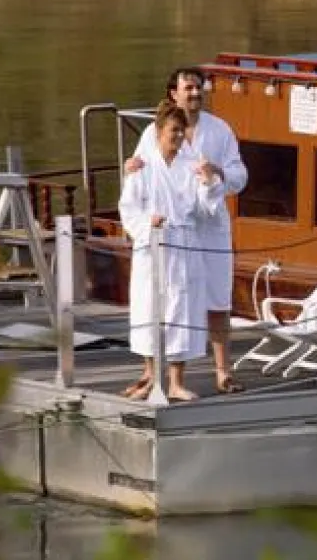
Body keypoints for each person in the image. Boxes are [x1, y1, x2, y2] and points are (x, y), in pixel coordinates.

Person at [126, 66, 248, 394]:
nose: (195, 93)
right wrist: (129, 169)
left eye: (199, 88)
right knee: (161, 298)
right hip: (170, 232)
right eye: (189, 88)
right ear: (173, 93)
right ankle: (151, 374)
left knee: (217, 301)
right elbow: (139, 175)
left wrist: (217, 172)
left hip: (211, 227)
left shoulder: (220, 130)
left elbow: (241, 176)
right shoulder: (153, 133)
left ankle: (223, 372)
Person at [119, 101, 224, 401]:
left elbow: (206, 211)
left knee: (181, 309)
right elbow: (128, 207)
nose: (179, 136)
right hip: (152, 245)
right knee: (149, 307)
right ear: (158, 132)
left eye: (182, 130)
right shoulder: (142, 166)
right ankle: (151, 377)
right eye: (173, 130)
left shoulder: (192, 166)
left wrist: (208, 183)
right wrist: (146, 224)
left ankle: (176, 382)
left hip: (183, 246)